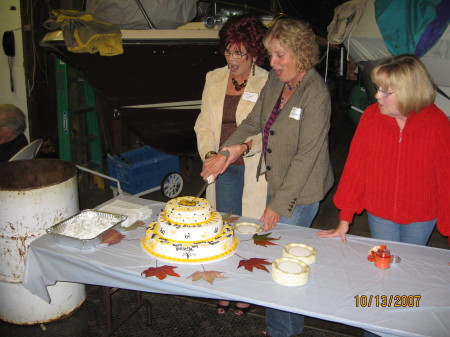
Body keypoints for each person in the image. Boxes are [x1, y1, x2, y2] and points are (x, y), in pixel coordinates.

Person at [201, 19, 334, 337]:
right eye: (271, 55)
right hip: (280, 181)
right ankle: (280, 327)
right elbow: (253, 121)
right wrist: (225, 153)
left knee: (285, 262)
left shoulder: (315, 94)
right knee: (278, 256)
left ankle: (283, 331)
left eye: (279, 55)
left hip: (301, 191)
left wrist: (277, 204)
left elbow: (306, 158)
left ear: (300, 54)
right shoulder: (278, 82)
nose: (271, 62)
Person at [317, 54, 450, 336]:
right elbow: (356, 169)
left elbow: (447, 181)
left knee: (410, 277)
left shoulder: (438, 123)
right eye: (377, 88)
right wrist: (345, 218)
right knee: (381, 276)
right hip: (380, 214)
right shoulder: (371, 119)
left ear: (409, 92)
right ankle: (375, 330)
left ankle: (402, 329)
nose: (377, 95)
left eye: (385, 91)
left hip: (422, 216)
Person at [194, 14, 269, 316]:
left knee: (250, 230)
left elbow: (268, 130)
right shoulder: (214, 77)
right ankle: (225, 285)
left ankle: (245, 287)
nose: (231, 58)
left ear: (253, 53)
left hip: (251, 166)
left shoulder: (268, 81)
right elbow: (203, 124)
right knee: (224, 228)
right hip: (221, 166)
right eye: (227, 50)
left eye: (238, 52)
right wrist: (211, 155)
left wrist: (241, 150)